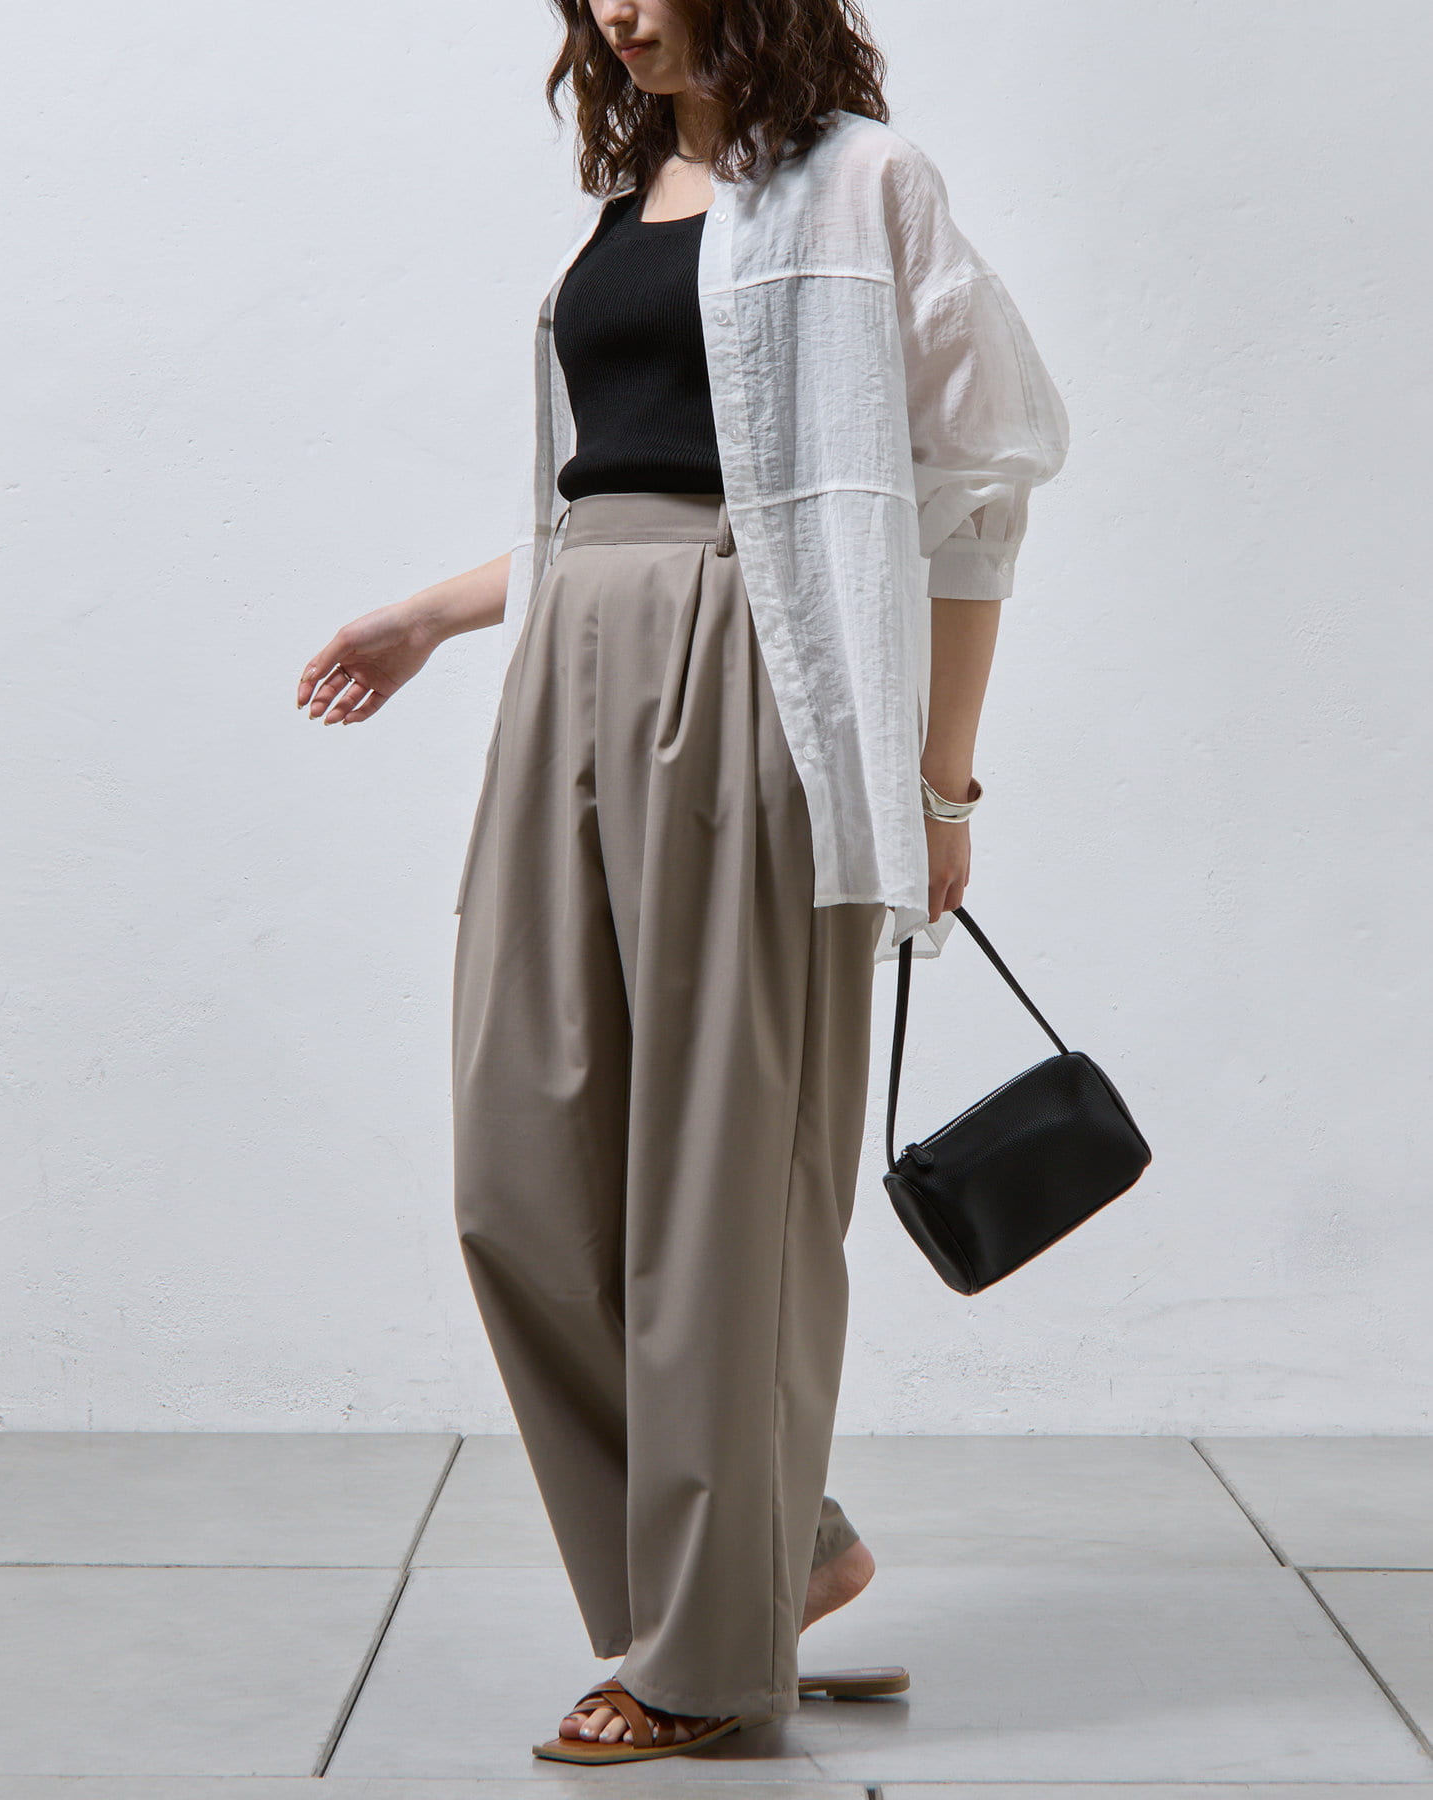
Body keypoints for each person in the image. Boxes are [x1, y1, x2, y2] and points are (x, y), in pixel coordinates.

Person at [296, 0, 1068, 1767]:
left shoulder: (868, 185)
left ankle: (708, 1655)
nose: (619, 14)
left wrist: (941, 779)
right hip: (572, 665)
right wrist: (430, 615)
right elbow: (607, 487)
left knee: (727, 1187)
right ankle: (781, 1552)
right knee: (519, 1172)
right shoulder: (628, 200)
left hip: (760, 683)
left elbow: (975, 495)